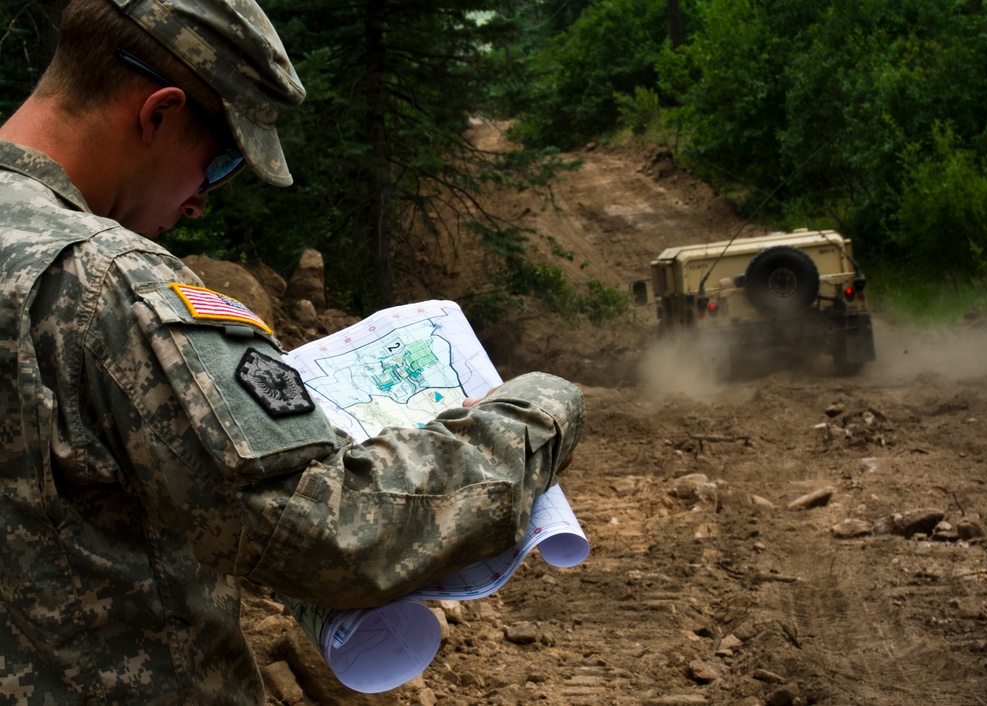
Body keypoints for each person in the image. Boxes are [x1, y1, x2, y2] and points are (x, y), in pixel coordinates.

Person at [0, 0, 586, 703]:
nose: (200, 203)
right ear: (158, 113)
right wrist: (537, 416)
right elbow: (324, 528)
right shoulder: (106, 284)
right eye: (219, 163)